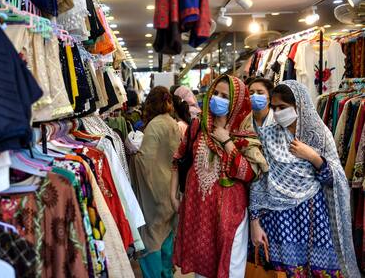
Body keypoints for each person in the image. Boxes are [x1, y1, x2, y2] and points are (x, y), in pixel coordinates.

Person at [249, 80, 360, 277]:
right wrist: (255, 222)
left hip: (312, 218)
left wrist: (313, 156)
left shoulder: (319, 135)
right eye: (274, 108)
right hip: (277, 222)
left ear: (299, 105)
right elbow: (258, 182)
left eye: (282, 107)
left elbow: (336, 180)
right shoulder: (268, 135)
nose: (277, 112)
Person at [171, 74, 268, 278]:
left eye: (225, 96)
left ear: (237, 101)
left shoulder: (244, 134)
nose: (217, 99)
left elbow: (248, 174)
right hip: (198, 212)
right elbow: (178, 158)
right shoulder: (198, 126)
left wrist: (227, 142)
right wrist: (173, 195)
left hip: (230, 214)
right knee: (202, 268)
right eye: (215, 93)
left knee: (230, 267)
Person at [130, 86, 181, 278]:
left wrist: (131, 155)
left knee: (150, 239)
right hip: (171, 191)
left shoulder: (154, 126)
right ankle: (167, 273)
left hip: (155, 194)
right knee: (167, 236)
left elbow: (145, 161)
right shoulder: (172, 123)